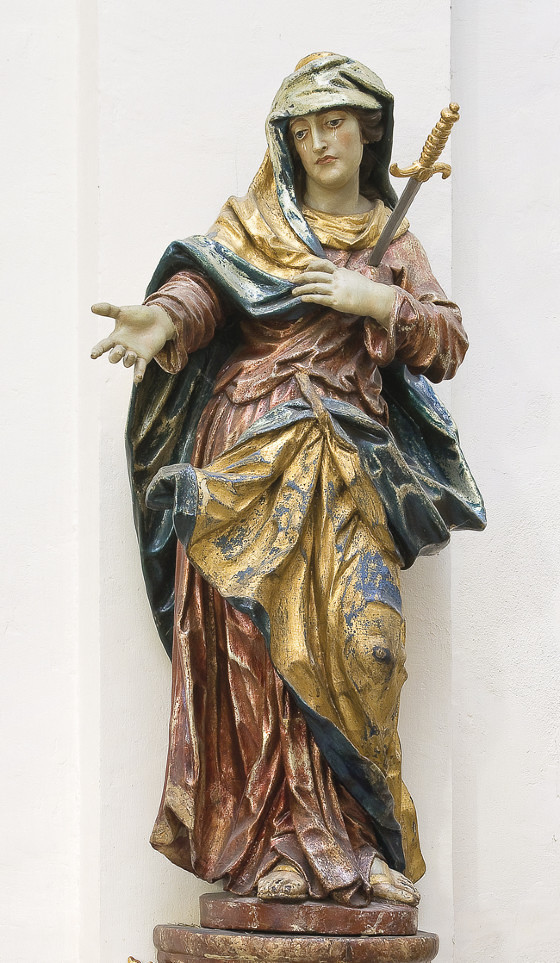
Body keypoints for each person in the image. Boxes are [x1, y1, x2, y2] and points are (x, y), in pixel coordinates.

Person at [91, 52, 485, 907]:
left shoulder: (393, 239)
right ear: (285, 142)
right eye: (303, 131)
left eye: (334, 123)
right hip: (246, 452)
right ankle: (270, 843)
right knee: (255, 651)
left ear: (369, 130)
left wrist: (377, 300)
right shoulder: (256, 222)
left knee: (365, 646)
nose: (320, 143)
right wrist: (161, 318)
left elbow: (447, 342)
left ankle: (358, 841)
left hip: (348, 460)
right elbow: (206, 291)